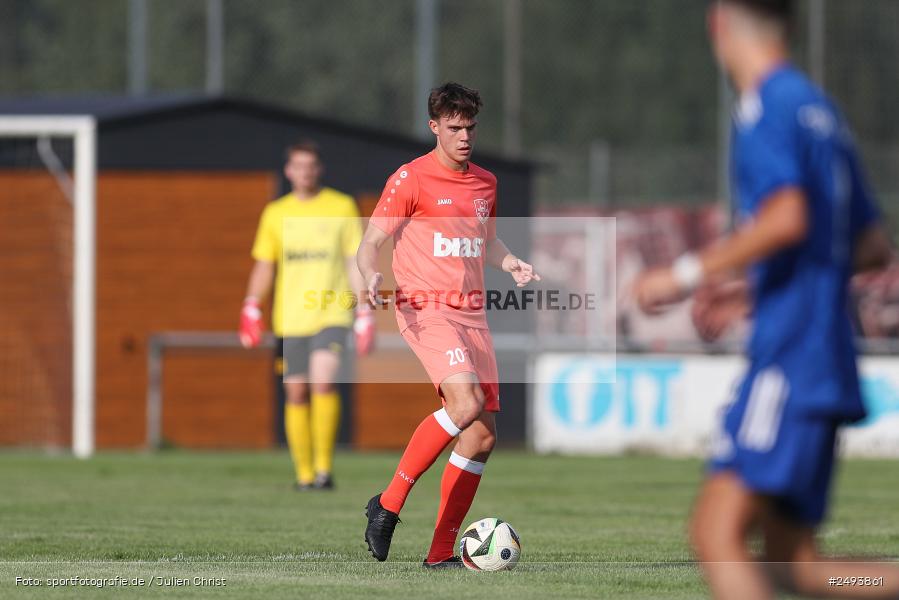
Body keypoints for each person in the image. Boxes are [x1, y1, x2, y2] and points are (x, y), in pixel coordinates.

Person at [635, 1, 899, 598]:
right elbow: (871, 246)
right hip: (822, 348)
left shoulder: (764, 107)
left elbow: (787, 216)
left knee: (716, 535)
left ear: (719, 22)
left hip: (791, 354)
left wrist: (682, 274)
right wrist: (753, 290)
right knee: (800, 567)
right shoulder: (821, 112)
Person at [356, 82, 540, 568]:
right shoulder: (410, 178)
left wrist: (512, 262)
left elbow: (487, 242)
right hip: (424, 308)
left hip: (471, 313)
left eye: (470, 128)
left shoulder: (485, 183)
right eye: (454, 128)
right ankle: (388, 504)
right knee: (465, 402)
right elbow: (369, 243)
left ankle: (440, 555)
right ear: (434, 127)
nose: (464, 136)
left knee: (480, 436)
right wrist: (371, 273)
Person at [239, 141, 374, 491]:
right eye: (298, 166)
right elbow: (265, 265)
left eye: (311, 165)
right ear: (288, 171)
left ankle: (324, 470)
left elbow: (352, 260)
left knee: (323, 381)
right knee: (296, 393)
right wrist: (251, 305)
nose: (305, 172)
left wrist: (363, 311)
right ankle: (304, 475)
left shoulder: (341, 206)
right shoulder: (276, 213)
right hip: (290, 319)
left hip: (331, 312)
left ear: (319, 169)